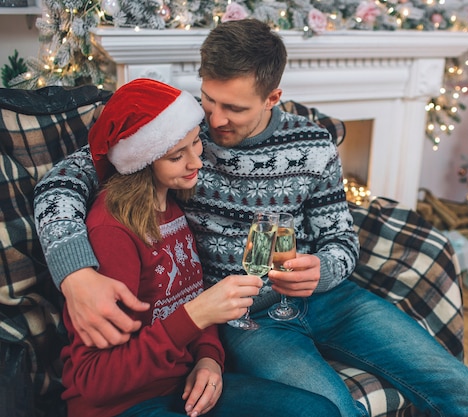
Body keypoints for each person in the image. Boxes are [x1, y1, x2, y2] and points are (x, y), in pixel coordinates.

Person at [34, 19, 468, 417]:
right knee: (332, 407)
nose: (216, 120)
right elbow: (61, 181)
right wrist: (75, 272)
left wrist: (323, 268)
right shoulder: (176, 133)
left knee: (455, 382)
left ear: (273, 97)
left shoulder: (313, 144)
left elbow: (340, 238)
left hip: (328, 297)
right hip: (247, 321)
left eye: (234, 108)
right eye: (211, 99)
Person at [58, 77, 341, 417]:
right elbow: (94, 382)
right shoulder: (112, 231)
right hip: (124, 405)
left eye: (196, 144)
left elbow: (191, 300)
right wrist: (194, 317)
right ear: (141, 163)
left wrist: (209, 359)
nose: (197, 162)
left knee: (318, 411)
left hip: (184, 383)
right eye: (178, 155)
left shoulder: (173, 206)